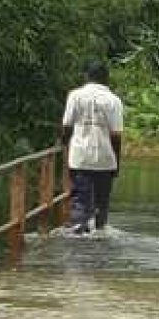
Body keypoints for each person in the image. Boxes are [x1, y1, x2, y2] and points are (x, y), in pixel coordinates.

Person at [61, 60, 123, 235]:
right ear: (106, 79)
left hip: (80, 158)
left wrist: (64, 145)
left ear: (86, 76)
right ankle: (100, 237)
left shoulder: (75, 96)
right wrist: (116, 163)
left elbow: (67, 126)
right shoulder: (114, 100)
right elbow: (116, 136)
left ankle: (79, 239)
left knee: (80, 201)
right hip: (105, 159)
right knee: (101, 204)